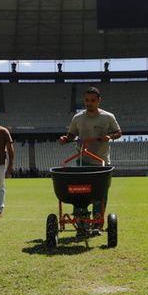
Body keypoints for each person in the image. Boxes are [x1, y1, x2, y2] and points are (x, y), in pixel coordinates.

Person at [59, 87, 123, 233]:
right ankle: (81, 221)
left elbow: (118, 132)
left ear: (99, 101)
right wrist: (64, 139)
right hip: (82, 160)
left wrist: (110, 137)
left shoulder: (108, 117)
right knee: (79, 192)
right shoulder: (78, 118)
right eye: (87, 100)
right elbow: (71, 135)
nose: (89, 103)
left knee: (100, 194)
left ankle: (97, 223)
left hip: (102, 161)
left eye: (93, 100)